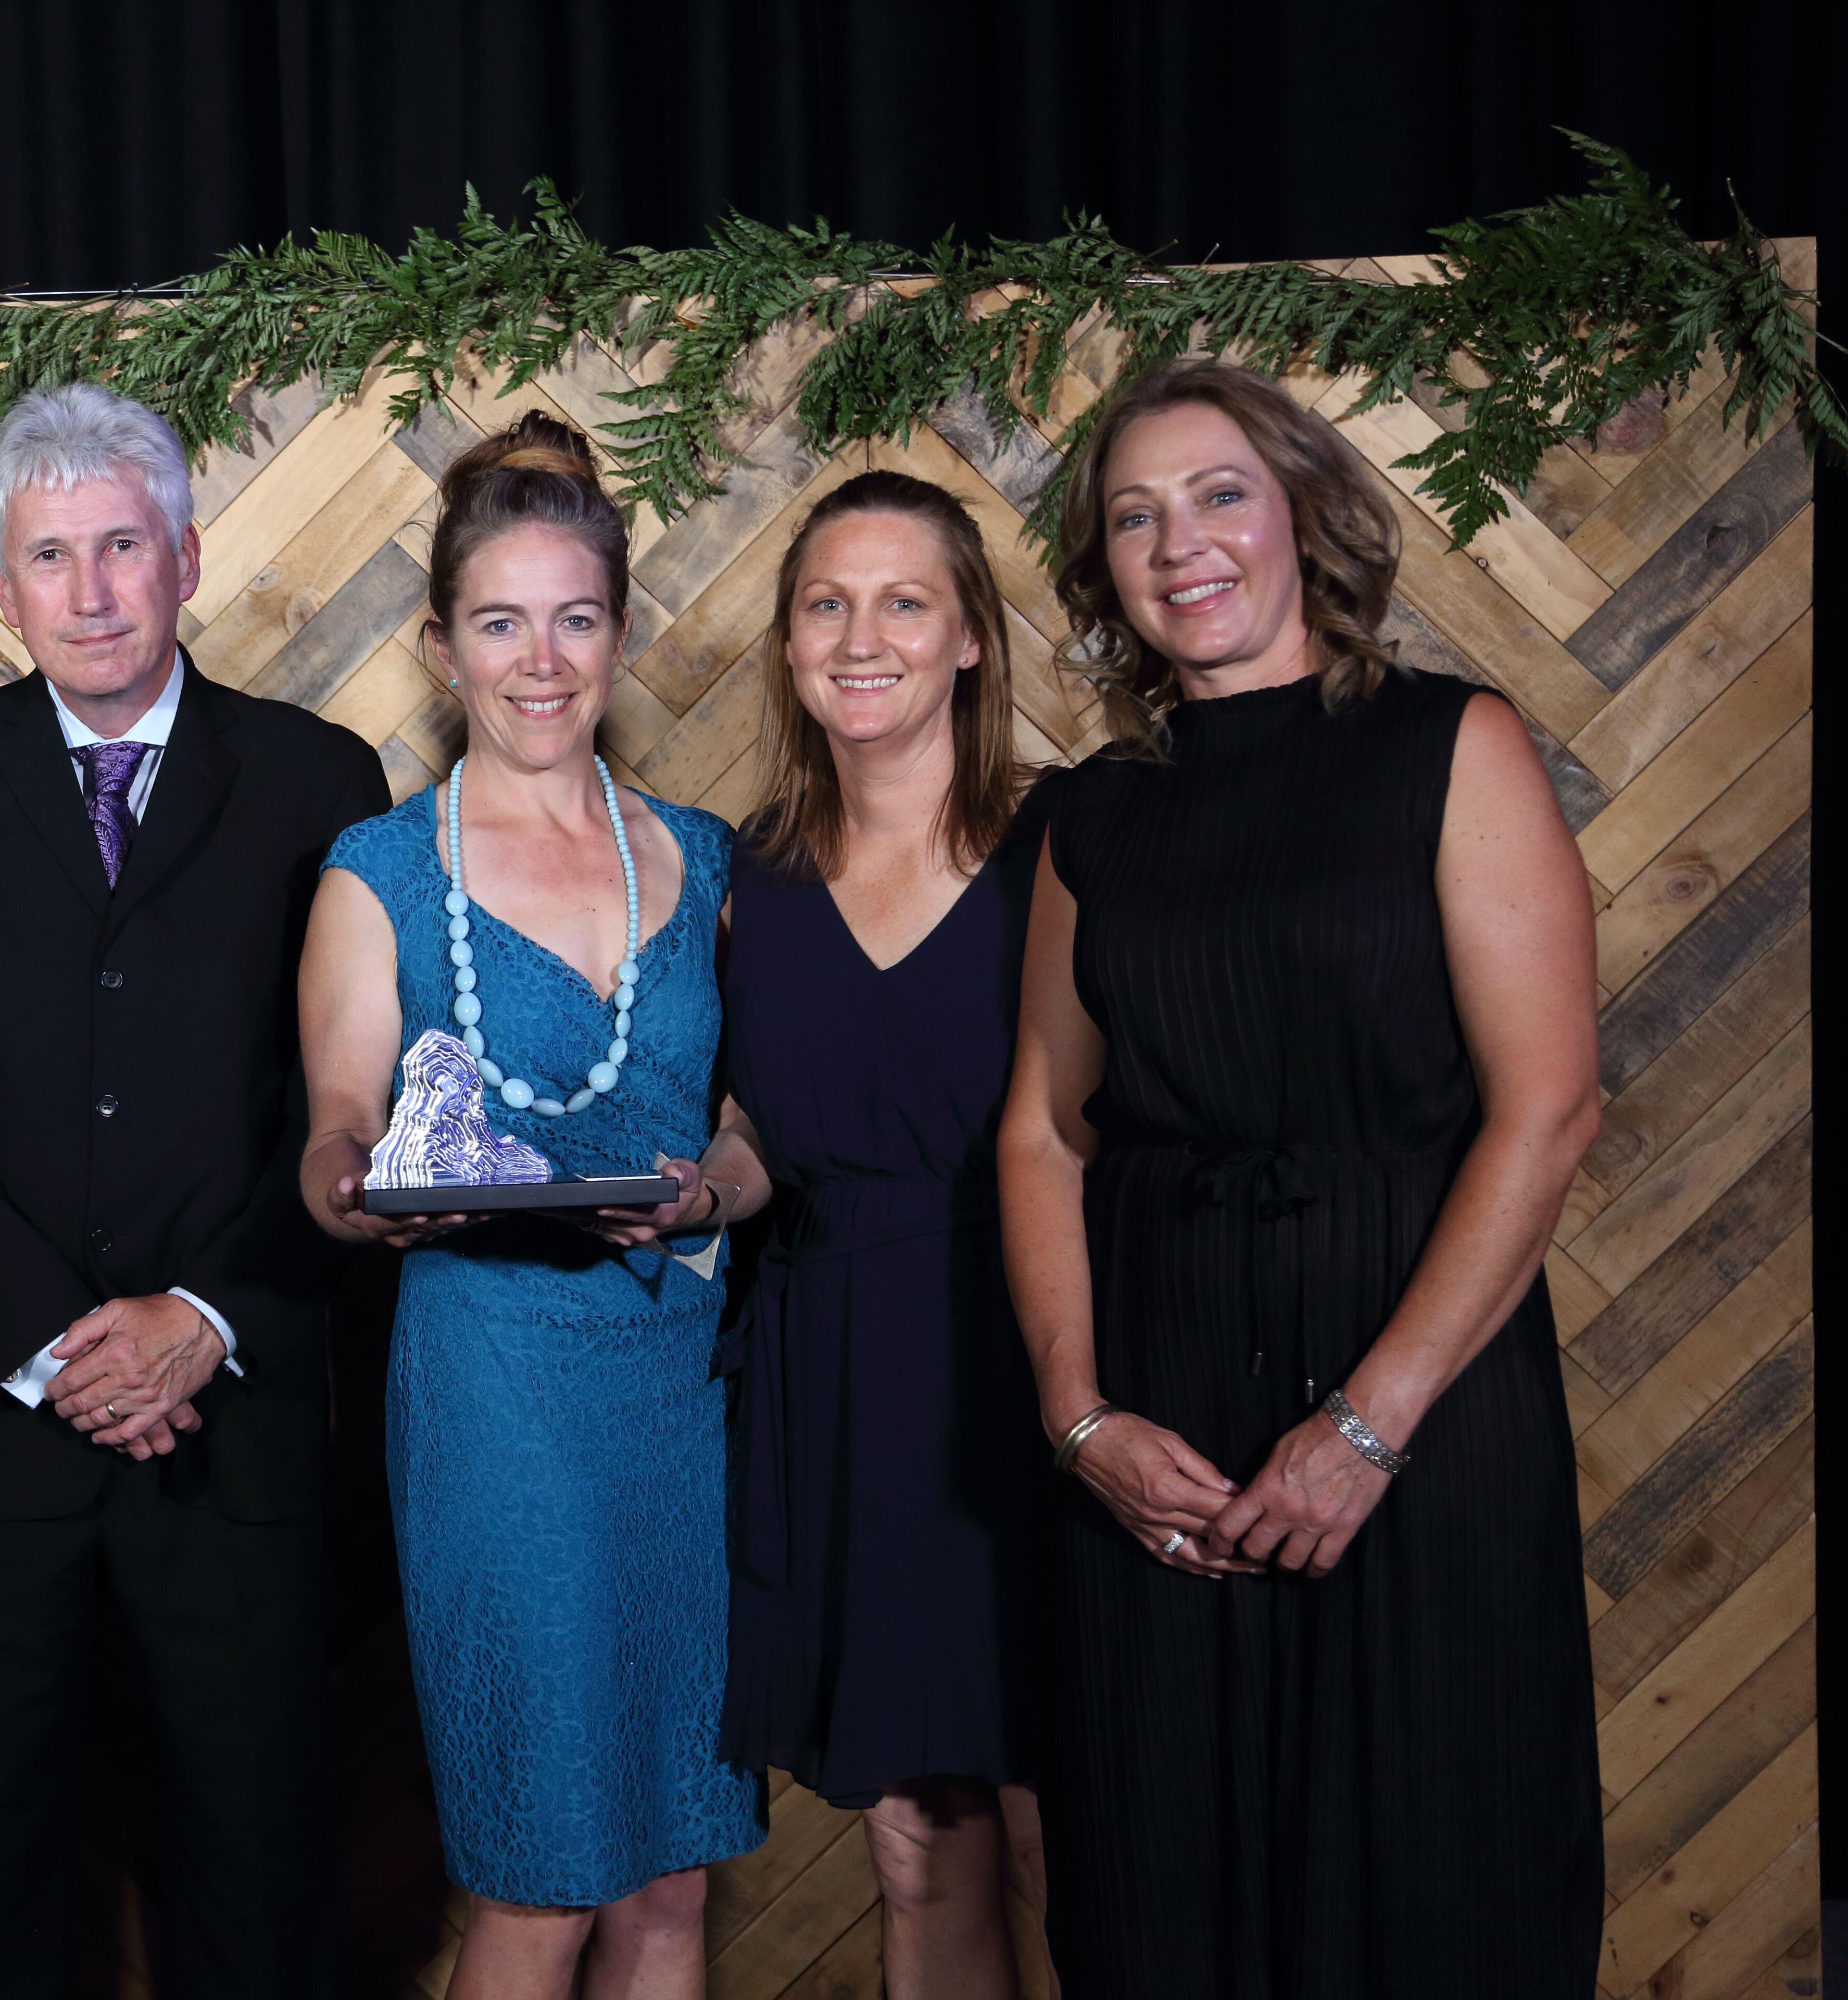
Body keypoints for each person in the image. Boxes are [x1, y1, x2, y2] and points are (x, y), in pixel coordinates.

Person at [997, 358, 1604, 1997]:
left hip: (1418, 1412)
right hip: (1160, 1439)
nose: (1176, 541)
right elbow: (1044, 1130)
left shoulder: (1449, 745)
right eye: (1133, 515)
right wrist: (1079, 1421)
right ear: (1105, 570)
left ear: (1305, 518)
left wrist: (1366, 1428)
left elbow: (1546, 1109)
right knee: (1160, 1896)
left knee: (1434, 1880)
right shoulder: (1093, 817)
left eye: (1216, 496)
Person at [0, 381, 387, 1998]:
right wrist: (64, 1348)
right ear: (2, 584)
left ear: (189, 557)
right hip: (3, 1428)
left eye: (121, 548)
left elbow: (345, 1106)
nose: (87, 592)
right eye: (49, 555)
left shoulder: (317, 779)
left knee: (259, 1850)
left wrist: (207, 1319)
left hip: (239, 1415)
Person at [299, 412, 766, 2000]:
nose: (542, 659)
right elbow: (340, 1129)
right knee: (541, 1875)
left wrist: (724, 1182)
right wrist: (358, 1188)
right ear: (443, 649)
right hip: (497, 1386)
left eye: (575, 618)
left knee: (671, 1884)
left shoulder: (703, 861)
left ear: (620, 634)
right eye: (501, 623)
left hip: (683, 1384)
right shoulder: (378, 868)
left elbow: (761, 1124)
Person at [718, 472, 1051, 1997]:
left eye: (904, 601)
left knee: (1087, 1815)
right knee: (919, 1829)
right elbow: (747, 1141)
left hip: (1036, 1357)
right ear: (789, 646)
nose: (861, 637)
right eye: (825, 605)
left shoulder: (1066, 849)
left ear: (973, 637)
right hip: (843, 1377)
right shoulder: (746, 884)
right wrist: (693, 1184)